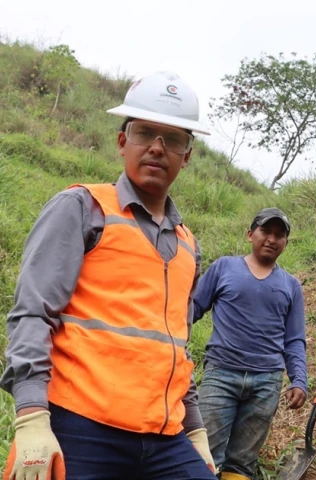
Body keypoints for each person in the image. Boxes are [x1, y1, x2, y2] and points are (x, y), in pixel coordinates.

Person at [1, 71, 216, 480]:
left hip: (164, 437)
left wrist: (196, 428)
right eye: (145, 133)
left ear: (187, 155)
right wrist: (31, 416)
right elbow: (31, 313)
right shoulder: (83, 209)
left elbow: (176, 347)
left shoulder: (189, 245)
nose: (157, 147)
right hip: (80, 425)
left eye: (173, 139)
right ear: (123, 141)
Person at [193, 208, 307, 480]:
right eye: (265, 231)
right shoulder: (224, 267)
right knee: (205, 454)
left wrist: (299, 379)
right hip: (221, 374)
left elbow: (294, 340)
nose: (271, 239)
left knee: (243, 461)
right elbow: (193, 308)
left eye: (280, 235)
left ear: (286, 243)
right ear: (250, 235)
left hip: (266, 382)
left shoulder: (291, 285)